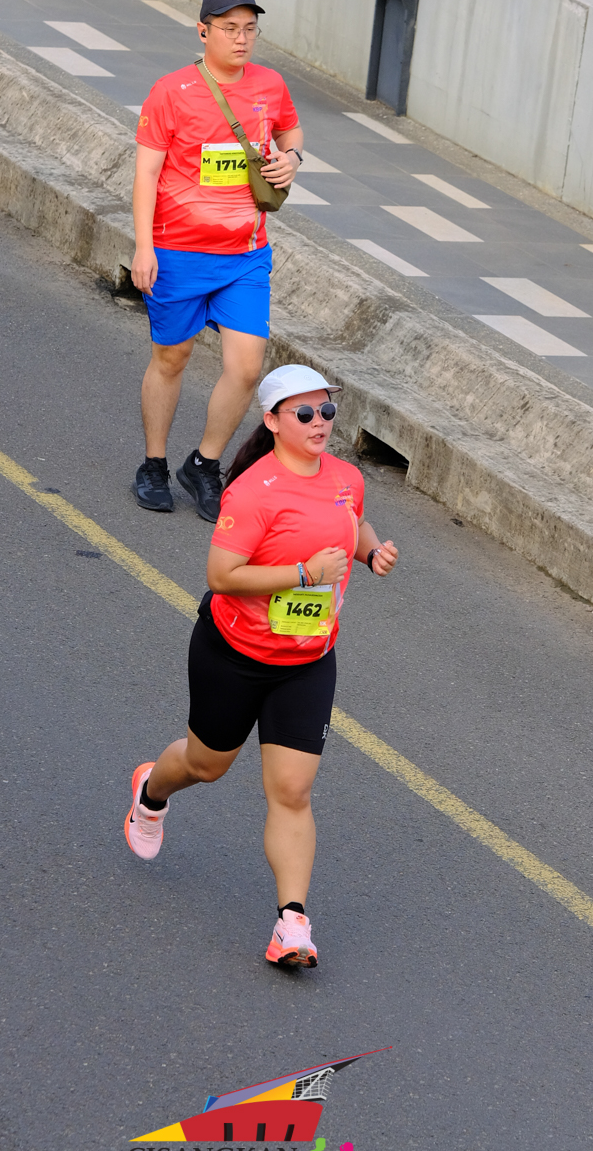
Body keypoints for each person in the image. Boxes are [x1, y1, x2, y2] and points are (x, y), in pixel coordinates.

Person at [124, 363, 399, 969]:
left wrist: (371, 550)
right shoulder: (252, 492)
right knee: (206, 765)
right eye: (305, 413)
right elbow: (222, 576)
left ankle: (292, 925)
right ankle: (151, 791)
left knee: (293, 791)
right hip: (235, 655)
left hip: (307, 660)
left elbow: (351, 523)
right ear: (273, 421)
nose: (320, 422)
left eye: (327, 410)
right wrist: (304, 574)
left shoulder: (347, 479)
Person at [130, 0, 304, 522]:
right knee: (172, 358)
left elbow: (291, 130)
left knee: (247, 368)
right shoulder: (171, 92)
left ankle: (204, 464)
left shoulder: (270, 85)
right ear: (203, 31)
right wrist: (144, 247)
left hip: (245, 254)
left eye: (250, 28)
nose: (241, 38)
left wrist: (293, 158)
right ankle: (154, 464)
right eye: (229, 28)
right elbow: (146, 173)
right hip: (178, 250)